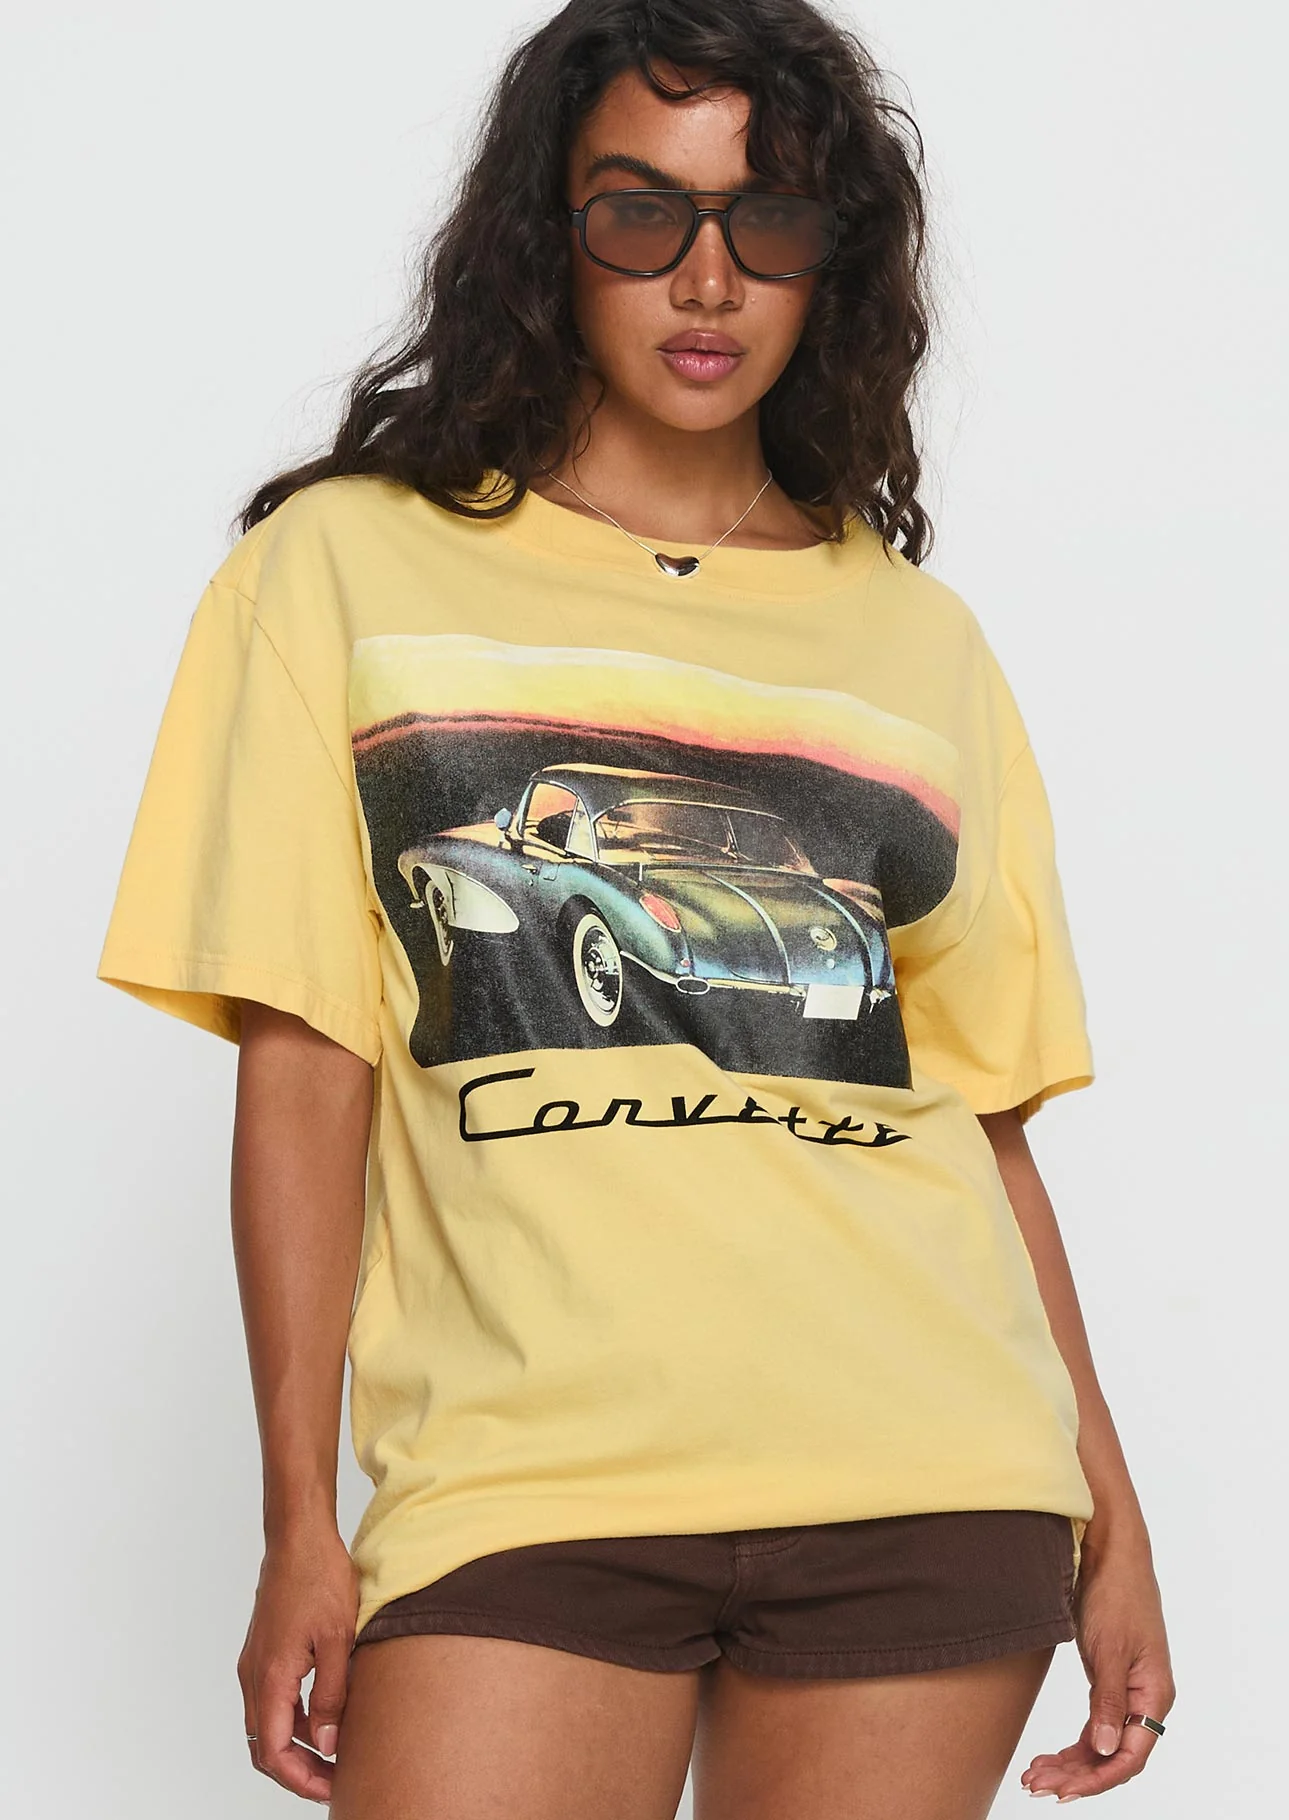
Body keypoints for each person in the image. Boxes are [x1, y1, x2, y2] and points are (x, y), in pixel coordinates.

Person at [95, 2, 1175, 1814]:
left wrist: (1114, 1518)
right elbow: (307, 1059)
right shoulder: (344, 568)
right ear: (550, 235)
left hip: (930, 1467)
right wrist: (298, 1521)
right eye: (641, 213)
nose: (708, 278)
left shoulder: (918, 640)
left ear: (834, 258)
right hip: (526, 1480)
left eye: (770, 221)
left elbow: (977, 1122)